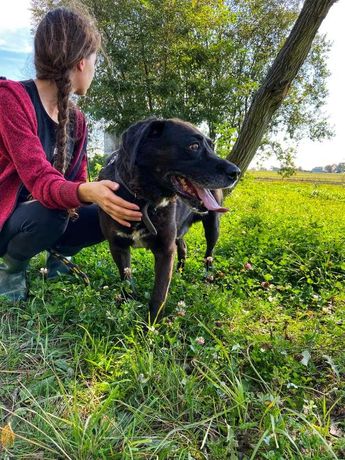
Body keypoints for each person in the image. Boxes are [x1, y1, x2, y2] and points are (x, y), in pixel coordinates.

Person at [0, 7, 142, 302]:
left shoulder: (77, 120)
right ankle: (10, 269)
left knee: (106, 212)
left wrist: (108, 199)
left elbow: (77, 181)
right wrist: (84, 190)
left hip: (45, 218)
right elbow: (41, 179)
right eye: (95, 61)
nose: (94, 69)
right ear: (81, 62)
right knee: (51, 210)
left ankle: (59, 258)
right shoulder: (10, 99)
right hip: (9, 219)